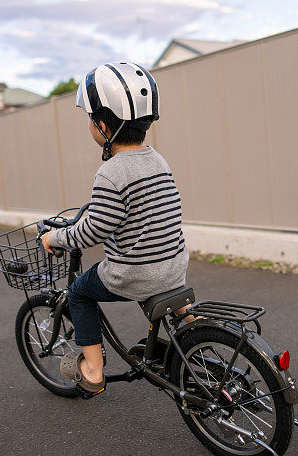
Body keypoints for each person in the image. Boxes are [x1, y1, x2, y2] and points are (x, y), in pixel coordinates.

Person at [40, 61, 189, 398]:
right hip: (175, 266)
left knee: (79, 291)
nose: (90, 125)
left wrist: (57, 237)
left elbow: (93, 231)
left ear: (104, 126)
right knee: (156, 272)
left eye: (90, 119)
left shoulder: (111, 172)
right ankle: (190, 327)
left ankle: (92, 372)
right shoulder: (157, 160)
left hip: (134, 274)